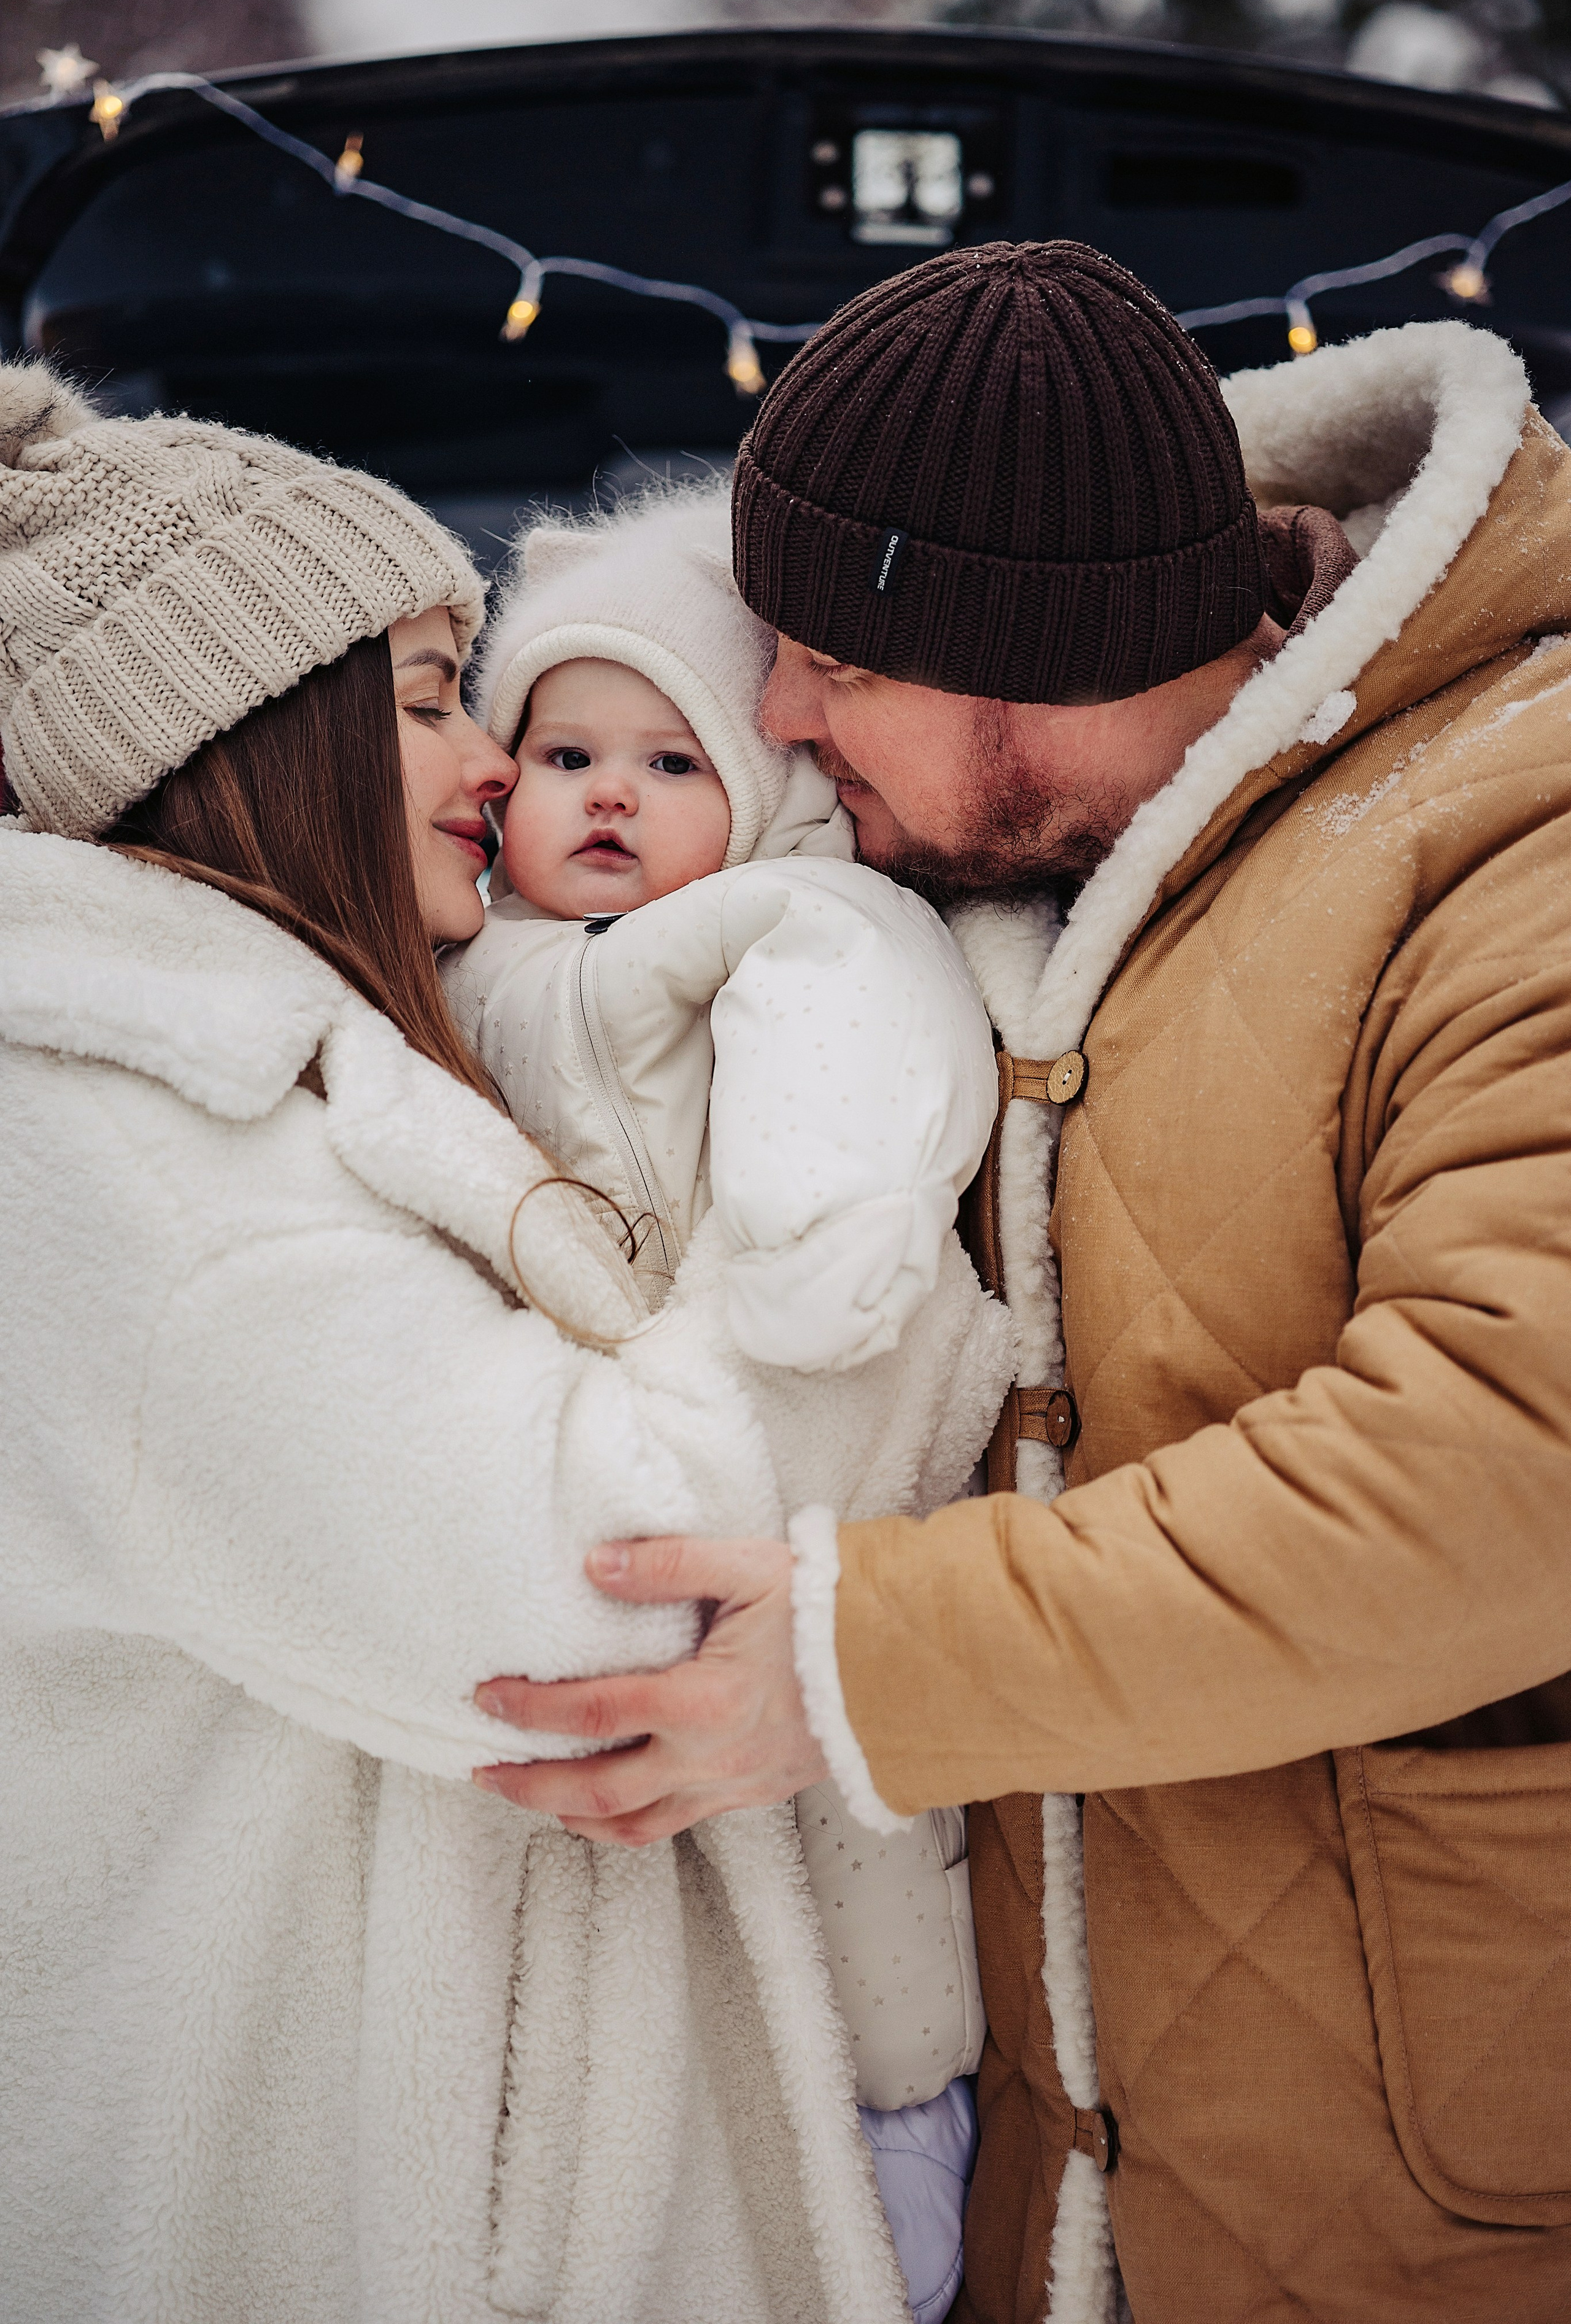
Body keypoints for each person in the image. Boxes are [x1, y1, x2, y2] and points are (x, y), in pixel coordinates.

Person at [474, 243, 1571, 2323]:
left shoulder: (1519, 834)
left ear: (1016, 649)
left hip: (1428, 2206)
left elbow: (1520, 1456)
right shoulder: (986, 857)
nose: (777, 718)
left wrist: (863, 1666)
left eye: (821, 660)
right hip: (1052, 2199)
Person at [0, 355, 982, 2324]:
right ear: (239, 728)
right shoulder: (129, 1145)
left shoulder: (281, 1062)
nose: (495, 772)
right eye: (439, 701)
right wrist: (876, 1270)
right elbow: (600, 1598)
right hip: (327, 2214)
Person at [444, 484, 1008, 2324]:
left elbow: (859, 1029)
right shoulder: (452, 968)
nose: (608, 793)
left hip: (795, 1413)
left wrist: (811, 1242)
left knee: (860, 1847)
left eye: (672, 758)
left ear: (757, 794)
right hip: (583, 1455)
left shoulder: (782, 917)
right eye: (566, 749)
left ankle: (905, 2115)